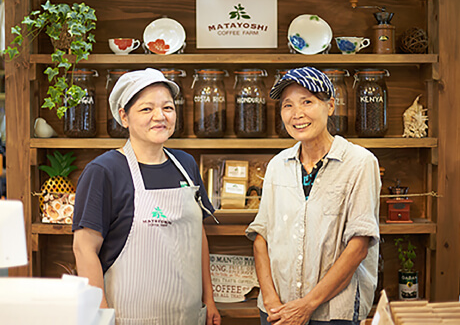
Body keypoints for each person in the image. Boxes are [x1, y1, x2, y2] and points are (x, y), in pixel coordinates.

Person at [72, 68, 221, 325]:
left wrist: (209, 299)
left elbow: (197, 236)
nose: (159, 117)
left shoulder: (186, 165)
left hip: (188, 316)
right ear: (124, 116)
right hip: (127, 317)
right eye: (146, 109)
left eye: (168, 108)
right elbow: (84, 249)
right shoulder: (104, 171)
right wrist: (101, 316)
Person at [246, 67, 381, 325]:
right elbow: (261, 237)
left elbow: (358, 246)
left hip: (332, 313)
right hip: (277, 311)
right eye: (288, 105)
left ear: (330, 105)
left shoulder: (360, 163)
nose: (297, 114)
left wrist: (307, 306)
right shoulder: (277, 165)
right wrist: (272, 302)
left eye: (307, 102)